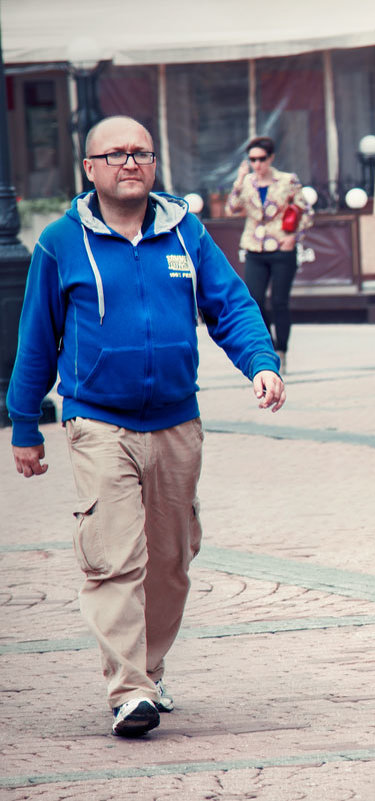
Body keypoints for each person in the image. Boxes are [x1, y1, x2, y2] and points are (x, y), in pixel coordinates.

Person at [6, 116, 286, 736]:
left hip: (177, 422)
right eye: (116, 155)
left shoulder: (185, 232)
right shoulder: (60, 242)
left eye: (141, 153)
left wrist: (260, 364)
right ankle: (128, 689)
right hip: (98, 421)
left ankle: (150, 667)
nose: (129, 163)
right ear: (90, 168)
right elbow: (36, 339)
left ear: (154, 163)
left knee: (171, 560)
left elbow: (231, 305)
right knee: (115, 558)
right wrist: (24, 423)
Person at [224, 135, 312, 373]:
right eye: (252, 159)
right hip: (255, 247)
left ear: (271, 158)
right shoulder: (247, 181)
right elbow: (231, 209)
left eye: (261, 159)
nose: (257, 164)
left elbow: (306, 212)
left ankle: (282, 350)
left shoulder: (287, 180)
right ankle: (269, 346)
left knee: (279, 301)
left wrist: (293, 238)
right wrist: (239, 179)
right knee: (255, 299)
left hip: (282, 247)